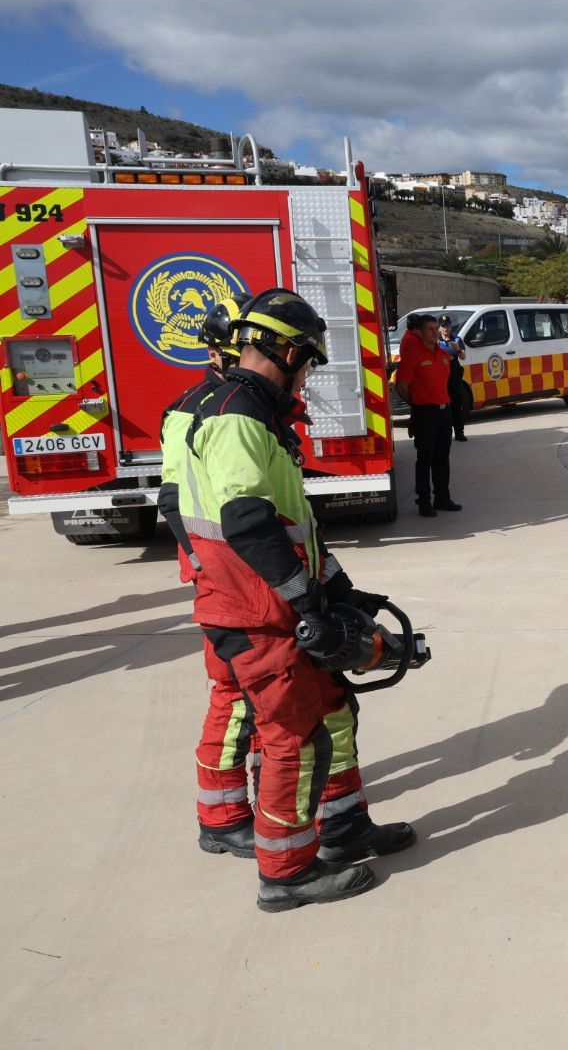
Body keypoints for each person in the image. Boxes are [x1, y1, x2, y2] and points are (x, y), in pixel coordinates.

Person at [181, 288, 415, 912]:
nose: (308, 373)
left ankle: (341, 830)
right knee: (292, 736)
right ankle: (286, 872)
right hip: (254, 611)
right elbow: (248, 522)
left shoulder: (255, 412)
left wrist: (340, 592)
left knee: (334, 709)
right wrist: (308, 605)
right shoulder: (236, 415)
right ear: (284, 350)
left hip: (271, 601)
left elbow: (293, 527)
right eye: (307, 360)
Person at [157, 292, 260, 857]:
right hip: (226, 575)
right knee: (236, 691)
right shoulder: (198, 409)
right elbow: (176, 500)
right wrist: (205, 568)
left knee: (266, 693)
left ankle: (270, 797)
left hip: (244, 575)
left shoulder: (240, 405)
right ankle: (221, 815)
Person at [393, 312, 460, 516]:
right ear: (420, 333)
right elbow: (402, 387)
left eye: (435, 328)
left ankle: (442, 498)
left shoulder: (443, 355)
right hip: (425, 412)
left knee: (443, 457)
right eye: (430, 329)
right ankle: (424, 502)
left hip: (443, 411)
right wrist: (418, 403)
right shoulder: (413, 356)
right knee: (425, 458)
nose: (434, 332)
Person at [440, 317, 469, 442]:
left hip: (455, 377)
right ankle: (444, 435)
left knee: (457, 405)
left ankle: (459, 433)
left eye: (448, 326)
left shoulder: (456, 339)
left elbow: (463, 356)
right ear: (439, 328)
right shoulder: (435, 341)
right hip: (441, 379)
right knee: (443, 408)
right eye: (443, 326)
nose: (446, 329)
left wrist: (457, 349)